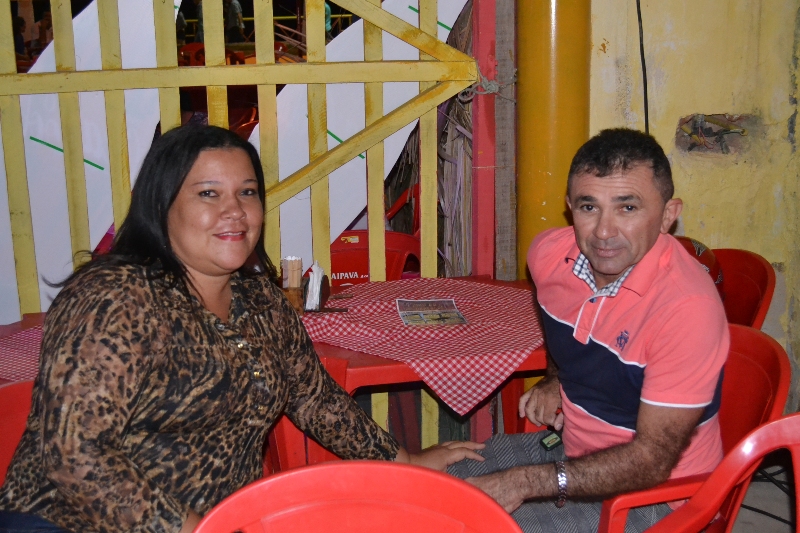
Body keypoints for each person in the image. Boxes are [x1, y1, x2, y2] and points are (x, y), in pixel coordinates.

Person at [0, 125, 483, 533]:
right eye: (208, 193)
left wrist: (406, 464)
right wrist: (197, 529)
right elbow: (75, 455)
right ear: (162, 204)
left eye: (247, 193)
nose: (234, 211)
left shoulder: (260, 299)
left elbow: (315, 399)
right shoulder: (116, 297)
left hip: (222, 520)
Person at [448, 128, 729, 533]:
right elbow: (567, 334)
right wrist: (555, 379)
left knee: (471, 524)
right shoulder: (548, 256)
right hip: (574, 451)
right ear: (570, 208)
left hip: (659, 496)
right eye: (588, 206)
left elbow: (652, 461)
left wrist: (524, 482)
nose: (603, 232)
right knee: (430, 487)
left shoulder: (687, 309)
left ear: (668, 215)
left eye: (627, 208)